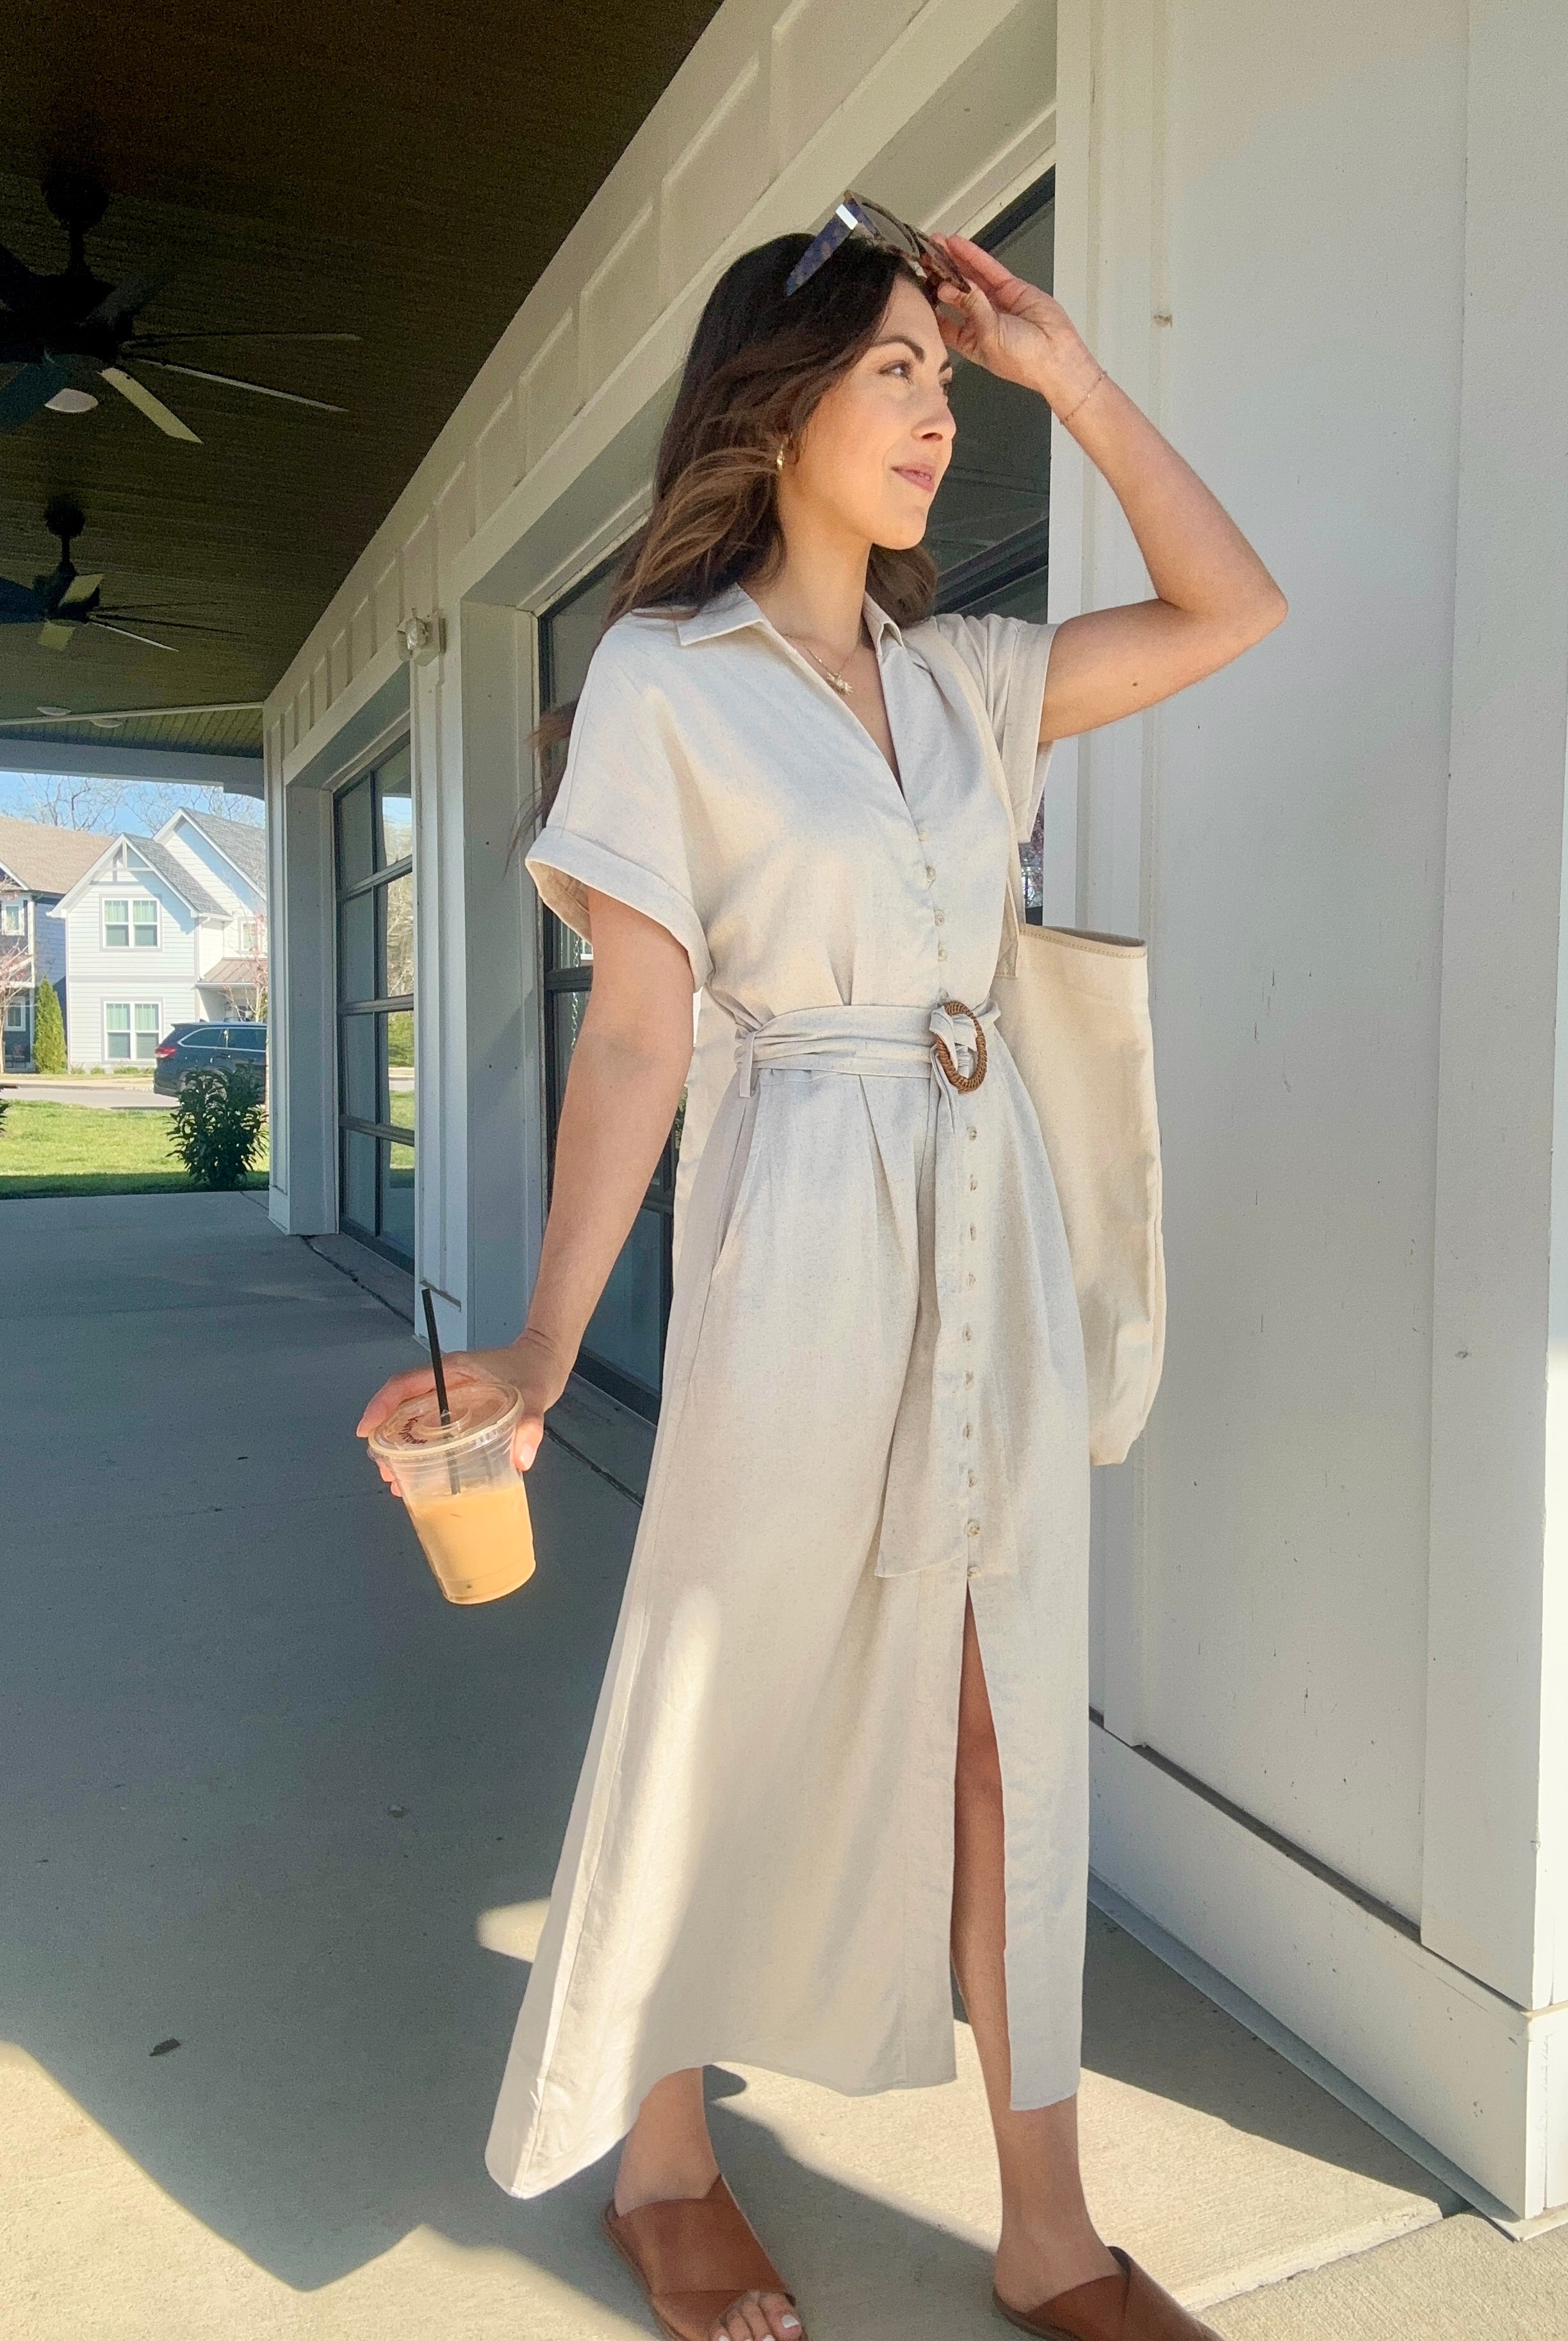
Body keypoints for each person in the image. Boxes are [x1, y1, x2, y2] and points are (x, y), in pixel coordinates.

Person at [358, 201, 1285, 2341]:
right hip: (794, 1240)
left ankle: (1048, 2228)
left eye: (948, 382)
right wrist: (543, 1338)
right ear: (773, 409)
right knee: (738, 1692)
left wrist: (1069, 373)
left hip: (993, 1229)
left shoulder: (970, 677)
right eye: (898, 372)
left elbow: (1236, 606)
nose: (938, 414)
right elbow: (639, 1032)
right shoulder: (665, 689)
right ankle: (662, 2161)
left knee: (998, 1737)